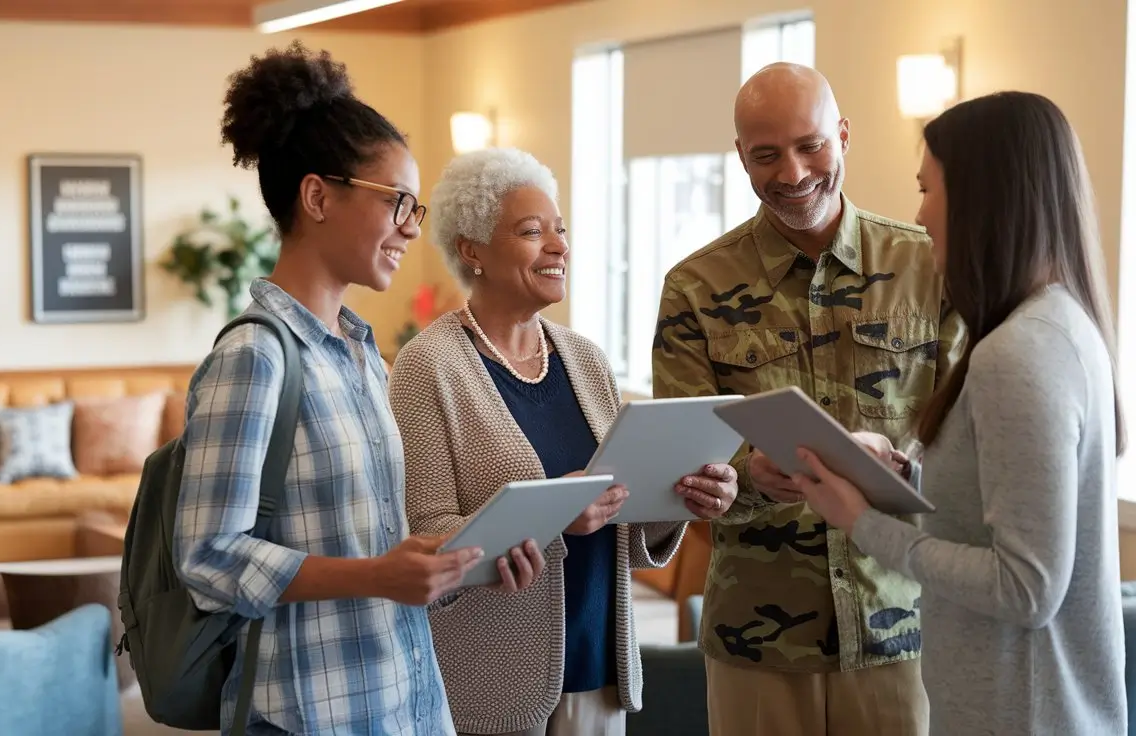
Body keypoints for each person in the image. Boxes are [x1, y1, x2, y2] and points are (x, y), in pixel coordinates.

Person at [791, 91, 1129, 736]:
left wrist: (862, 522)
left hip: (1019, 711)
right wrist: (901, 479)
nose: (920, 215)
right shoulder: (1057, 325)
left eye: (927, 189)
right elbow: (1007, 509)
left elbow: (1025, 587)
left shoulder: (1020, 352)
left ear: (983, 198)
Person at [172, 41, 483, 736]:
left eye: (416, 207)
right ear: (317, 196)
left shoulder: (364, 354)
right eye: (397, 201)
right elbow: (207, 557)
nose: (411, 226)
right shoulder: (255, 357)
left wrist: (459, 558)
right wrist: (374, 575)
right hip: (308, 714)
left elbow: (374, 541)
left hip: (406, 704)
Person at [651, 61, 968, 736]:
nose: (792, 174)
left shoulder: (929, 266)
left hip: (905, 623)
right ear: (740, 156)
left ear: (844, 136)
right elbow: (682, 459)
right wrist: (743, 474)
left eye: (810, 146)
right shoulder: (695, 288)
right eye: (766, 155)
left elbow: (970, 436)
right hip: (758, 640)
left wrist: (905, 463)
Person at [388, 147, 739, 736]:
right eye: (532, 232)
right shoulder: (429, 367)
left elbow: (619, 521)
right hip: (491, 681)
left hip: (599, 666)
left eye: (561, 229)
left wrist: (684, 496)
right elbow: (425, 542)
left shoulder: (584, 359)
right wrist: (550, 517)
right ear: (472, 250)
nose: (559, 246)